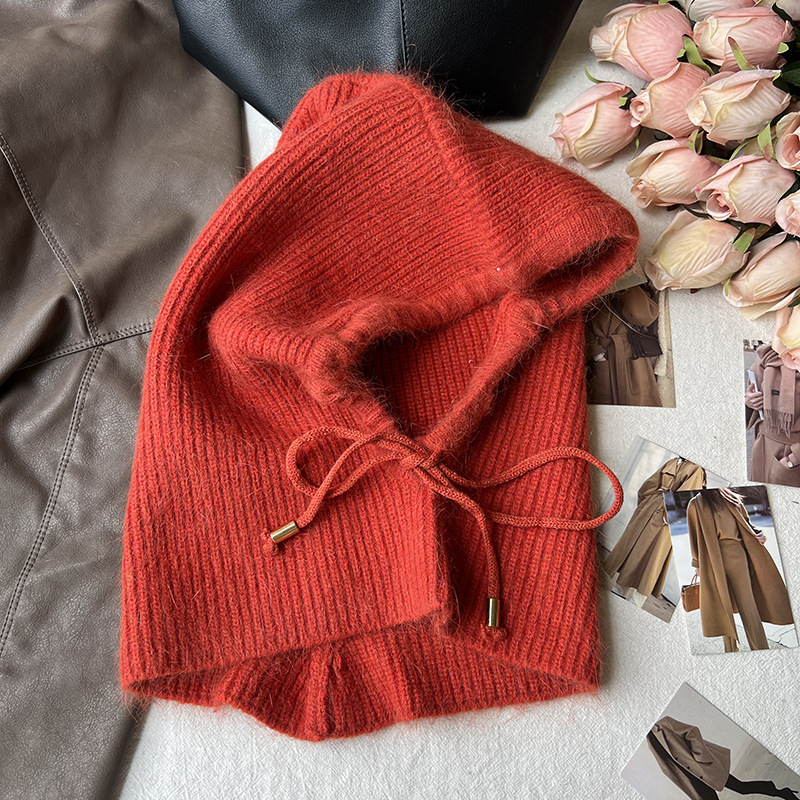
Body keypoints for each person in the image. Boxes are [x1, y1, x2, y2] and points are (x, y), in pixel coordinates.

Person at [687, 489, 794, 653]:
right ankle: (731, 650)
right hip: (711, 560)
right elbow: (694, 537)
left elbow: (748, 524)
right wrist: (697, 564)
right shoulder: (695, 504)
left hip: (736, 557)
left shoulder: (729, 498)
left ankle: (760, 648)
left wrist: (759, 534)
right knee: (723, 606)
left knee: (747, 606)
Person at [648, 715, 800, 800]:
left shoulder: (663, 724)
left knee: (741, 788)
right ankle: (782, 792)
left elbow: (692, 732)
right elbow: (667, 768)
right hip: (692, 782)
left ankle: (781, 792)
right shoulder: (649, 742)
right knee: (740, 788)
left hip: (704, 768)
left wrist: (700, 757)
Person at [587, 284, 663, 407]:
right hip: (605, 356)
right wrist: (597, 355)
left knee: (641, 406)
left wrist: (628, 287)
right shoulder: (590, 288)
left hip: (633, 356)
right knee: (606, 409)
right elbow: (582, 326)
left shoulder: (634, 288)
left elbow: (643, 317)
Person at [746, 343, 800, 487]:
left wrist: (794, 458)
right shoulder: (768, 354)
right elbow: (751, 394)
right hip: (764, 448)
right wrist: (750, 402)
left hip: (794, 457)